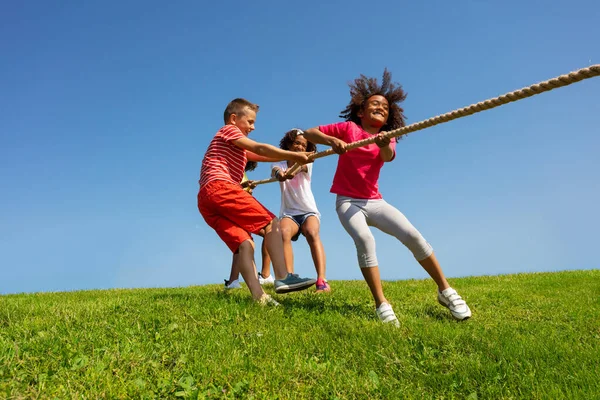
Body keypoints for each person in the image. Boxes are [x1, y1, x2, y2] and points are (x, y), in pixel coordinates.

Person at [303, 70, 472, 324]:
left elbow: (387, 157)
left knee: (412, 235)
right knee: (365, 239)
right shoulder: (348, 128)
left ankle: (445, 291)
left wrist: (383, 143)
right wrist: (330, 140)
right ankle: (381, 304)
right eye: (375, 104)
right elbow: (309, 133)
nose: (381, 107)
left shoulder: (387, 138)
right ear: (361, 112)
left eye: (385, 107)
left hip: (375, 201)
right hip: (348, 202)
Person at [198, 98, 316, 305]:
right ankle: (282, 276)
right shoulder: (229, 131)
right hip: (221, 187)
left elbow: (261, 156)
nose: (253, 127)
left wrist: (296, 157)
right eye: (250, 122)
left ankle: (259, 297)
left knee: (245, 243)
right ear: (234, 119)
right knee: (272, 223)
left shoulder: (235, 145)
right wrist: (293, 155)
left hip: (207, 199)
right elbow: (260, 148)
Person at [271, 129, 330, 292]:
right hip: (289, 213)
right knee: (282, 233)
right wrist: (279, 174)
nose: (300, 147)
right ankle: (289, 277)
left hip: (308, 211)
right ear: (289, 144)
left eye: (304, 145)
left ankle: (322, 280)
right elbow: (274, 170)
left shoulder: (308, 161)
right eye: (297, 143)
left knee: (311, 232)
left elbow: (301, 167)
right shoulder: (280, 164)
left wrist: (290, 173)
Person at [224, 161, 272, 289]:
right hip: (237, 208)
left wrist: (248, 189)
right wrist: (243, 187)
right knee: (270, 232)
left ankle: (233, 281)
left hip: (239, 207)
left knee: (242, 242)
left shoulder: (241, 171)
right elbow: (229, 188)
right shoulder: (232, 169)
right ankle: (265, 276)